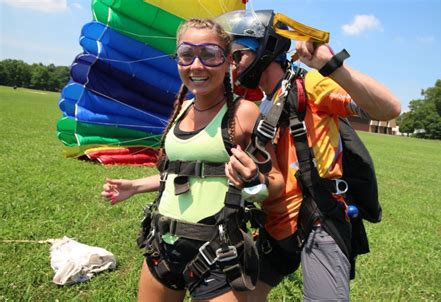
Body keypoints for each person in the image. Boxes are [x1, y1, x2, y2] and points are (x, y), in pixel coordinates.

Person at [215, 10, 401, 301]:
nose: (233, 65)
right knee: (242, 296)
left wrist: (332, 66)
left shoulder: (310, 86)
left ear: (263, 50)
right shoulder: (264, 102)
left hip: (318, 219)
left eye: (237, 55)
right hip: (275, 224)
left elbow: (388, 109)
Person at [101, 18, 284, 302]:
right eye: (187, 55)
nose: (197, 65)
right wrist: (135, 186)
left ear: (228, 63)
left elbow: (276, 183)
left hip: (219, 254)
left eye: (209, 55)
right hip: (162, 247)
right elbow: (182, 172)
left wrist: (254, 180)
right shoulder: (182, 109)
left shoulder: (244, 113)